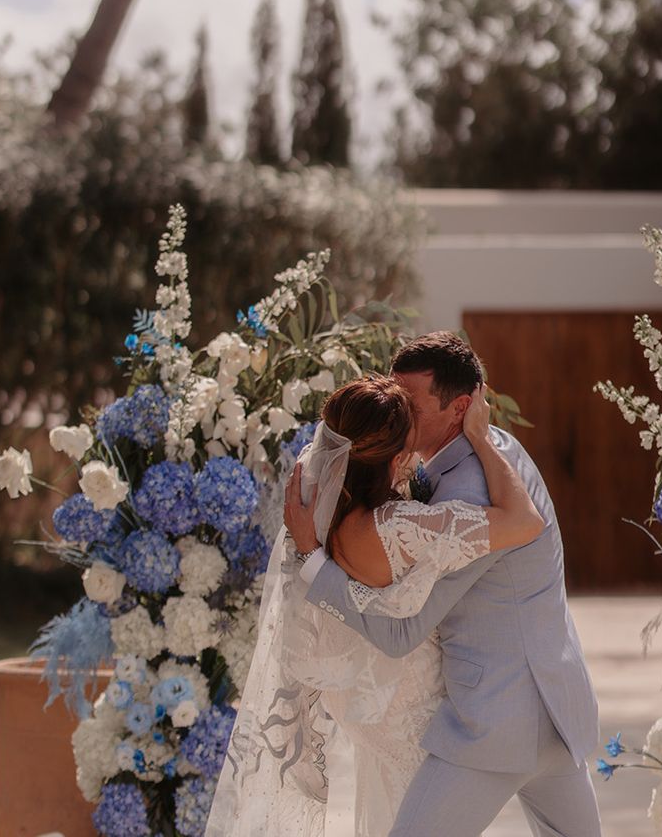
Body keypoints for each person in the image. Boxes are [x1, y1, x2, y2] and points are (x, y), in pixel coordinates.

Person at [205, 372, 547, 837]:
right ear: (397, 454)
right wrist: (481, 438)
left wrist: (311, 554)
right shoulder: (397, 528)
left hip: (374, 714)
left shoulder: (316, 510)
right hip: (416, 716)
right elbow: (524, 522)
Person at [296, 332, 601, 837]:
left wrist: (314, 564)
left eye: (409, 407)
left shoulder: (469, 493)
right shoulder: (500, 451)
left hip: (496, 725)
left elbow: (402, 633)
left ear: (461, 407)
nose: (396, 416)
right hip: (557, 716)